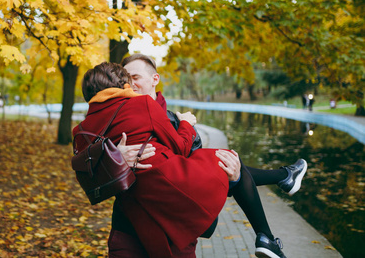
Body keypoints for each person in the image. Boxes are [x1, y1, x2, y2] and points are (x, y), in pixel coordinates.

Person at [73, 62, 301, 258]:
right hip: (136, 223)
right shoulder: (141, 106)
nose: (132, 85)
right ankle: (278, 197)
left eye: (136, 77)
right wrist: (116, 158)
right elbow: (180, 147)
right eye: (128, 79)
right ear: (121, 85)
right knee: (227, 159)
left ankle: (282, 182)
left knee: (232, 164)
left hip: (171, 222)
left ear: (155, 79)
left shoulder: (83, 130)